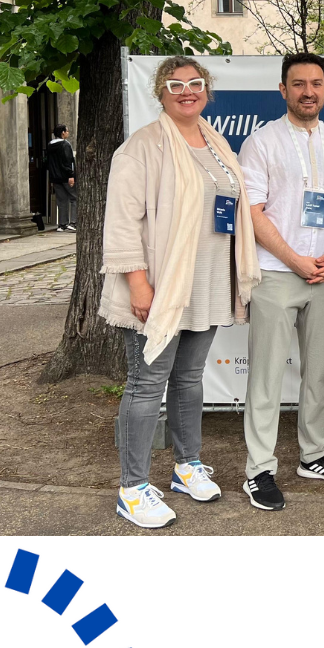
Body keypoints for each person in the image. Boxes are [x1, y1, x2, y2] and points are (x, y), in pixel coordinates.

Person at [99, 56, 260, 529]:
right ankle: (132, 488)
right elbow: (121, 221)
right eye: (175, 84)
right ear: (160, 92)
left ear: (206, 90)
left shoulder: (215, 142)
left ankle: (186, 467)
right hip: (161, 286)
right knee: (147, 383)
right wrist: (138, 282)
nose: (186, 91)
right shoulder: (141, 147)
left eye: (194, 83)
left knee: (189, 379)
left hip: (207, 282)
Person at [236, 52, 324, 511]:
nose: (308, 92)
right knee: (266, 375)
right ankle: (259, 470)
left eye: (316, 83)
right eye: (298, 84)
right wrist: (294, 260)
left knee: (319, 373)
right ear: (283, 90)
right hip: (275, 273)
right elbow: (252, 212)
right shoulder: (261, 142)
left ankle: (314, 455)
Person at [47, 123, 77, 232]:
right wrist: (71, 175)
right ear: (63, 133)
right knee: (75, 198)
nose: (68, 133)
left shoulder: (50, 145)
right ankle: (73, 222)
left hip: (55, 177)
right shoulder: (65, 144)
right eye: (67, 131)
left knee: (62, 200)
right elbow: (68, 161)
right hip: (65, 176)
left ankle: (62, 224)